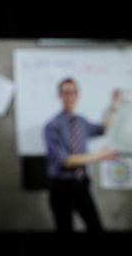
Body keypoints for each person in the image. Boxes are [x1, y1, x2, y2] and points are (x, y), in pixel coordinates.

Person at [43, 77, 120, 232]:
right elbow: (66, 161)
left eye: (74, 92)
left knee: (95, 226)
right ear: (60, 96)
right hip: (61, 187)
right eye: (66, 92)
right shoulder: (51, 126)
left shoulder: (81, 122)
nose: (70, 96)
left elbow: (103, 128)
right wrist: (100, 155)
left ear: (78, 96)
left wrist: (113, 106)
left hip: (82, 184)